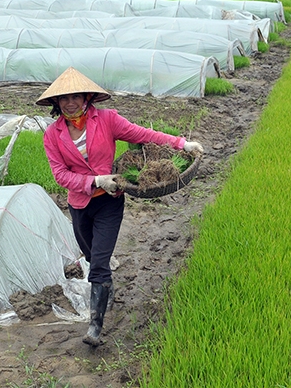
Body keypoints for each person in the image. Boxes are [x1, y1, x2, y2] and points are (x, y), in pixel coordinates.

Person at [36, 67, 203, 347]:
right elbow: (60, 176)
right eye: (63, 98)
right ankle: (105, 284)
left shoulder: (107, 120)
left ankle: (95, 328)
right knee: (90, 256)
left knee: (99, 264)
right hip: (79, 203)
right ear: (56, 103)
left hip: (109, 203)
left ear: (87, 97)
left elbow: (143, 135)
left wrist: (182, 144)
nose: (70, 102)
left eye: (75, 96)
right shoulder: (53, 135)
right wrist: (95, 180)